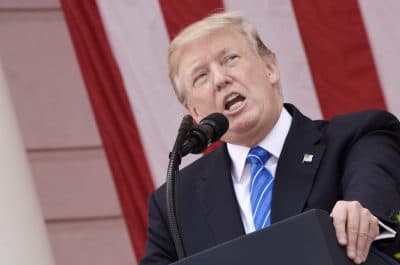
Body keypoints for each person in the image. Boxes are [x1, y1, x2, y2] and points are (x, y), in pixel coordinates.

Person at [140, 11, 400, 265]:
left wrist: (360, 211)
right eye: (201, 76)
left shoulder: (358, 136)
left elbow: (371, 192)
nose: (220, 79)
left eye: (230, 59)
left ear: (270, 68)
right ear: (195, 112)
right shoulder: (174, 201)